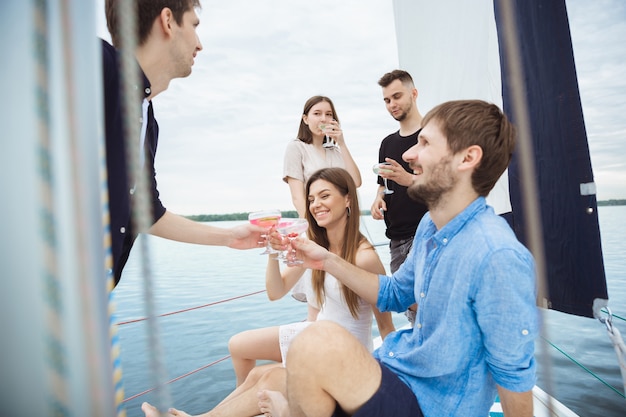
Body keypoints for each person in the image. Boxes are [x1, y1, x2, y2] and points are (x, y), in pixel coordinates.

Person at [279, 100, 540, 417]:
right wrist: (325, 260)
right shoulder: (431, 225)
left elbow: (513, 373)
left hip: (432, 406)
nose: (408, 154)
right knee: (296, 365)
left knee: (314, 343)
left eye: (425, 143)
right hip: (400, 370)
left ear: (468, 158)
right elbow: (393, 294)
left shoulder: (497, 255)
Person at [141, 167, 395, 417]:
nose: (316, 204)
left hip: (343, 355)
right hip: (315, 340)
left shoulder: (364, 258)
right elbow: (276, 291)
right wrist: (274, 252)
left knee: (272, 376)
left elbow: (385, 326)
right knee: (254, 372)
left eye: (325, 195)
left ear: (348, 198)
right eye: (311, 199)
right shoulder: (317, 247)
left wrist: (386, 387)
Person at [102, 0, 265, 287]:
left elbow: (147, 213)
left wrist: (229, 237)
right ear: (168, 21)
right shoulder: (96, 67)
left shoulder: (147, 119)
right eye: (194, 25)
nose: (199, 44)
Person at [283, 95, 362, 302]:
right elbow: (297, 196)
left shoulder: (335, 151)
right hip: (314, 226)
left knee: (344, 288)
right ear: (305, 119)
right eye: (317, 113)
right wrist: (312, 229)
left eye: (328, 114)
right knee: (319, 291)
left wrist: (342, 144)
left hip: (341, 227)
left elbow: (356, 182)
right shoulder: (297, 147)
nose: (323, 118)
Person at [371, 70, 429, 324]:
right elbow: (382, 184)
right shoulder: (387, 143)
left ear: (413, 94)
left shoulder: (432, 135)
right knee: (411, 310)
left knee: (429, 305)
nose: (392, 104)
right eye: (386, 100)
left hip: (427, 234)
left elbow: (447, 186)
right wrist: (378, 199)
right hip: (397, 240)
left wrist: (408, 180)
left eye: (396, 96)